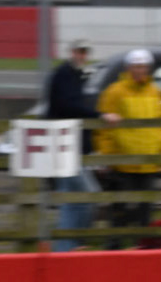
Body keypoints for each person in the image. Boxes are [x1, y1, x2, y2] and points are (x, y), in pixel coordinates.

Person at [41, 39, 116, 251]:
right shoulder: (65, 74)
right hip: (64, 145)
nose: (82, 55)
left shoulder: (74, 74)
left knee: (69, 198)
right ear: (72, 52)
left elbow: (69, 106)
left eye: (85, 52)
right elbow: (68, 106)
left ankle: (65, 247)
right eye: (79, 51)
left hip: (68, 144)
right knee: (88, 195)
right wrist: (99, 115)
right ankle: (69, 245)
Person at [96, 48, 161, 248]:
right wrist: (108, 157)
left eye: (144, 66)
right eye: (137, 66)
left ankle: (143, 250)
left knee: (145, 212)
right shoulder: (115, 92)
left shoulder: (156, 91)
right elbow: (104, 129)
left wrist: (160, 145)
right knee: (121, 212)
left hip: (150, 163)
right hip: (123, 163)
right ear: (129, 68)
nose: (141, 70)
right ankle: (114, 251)